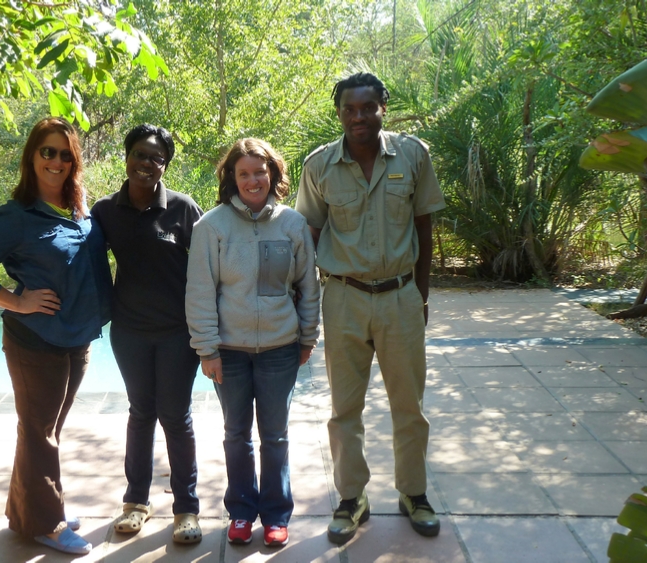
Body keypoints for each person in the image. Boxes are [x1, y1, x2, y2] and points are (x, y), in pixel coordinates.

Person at [295, 72, 446, 544]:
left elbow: (424, 229)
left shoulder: (413, 155)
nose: (358, 117)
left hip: (400, 296)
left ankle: (414, 494)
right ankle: (350, 498)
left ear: (384, 105)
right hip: (343, 297)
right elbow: (310, 234)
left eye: (367, 107)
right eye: (348, 109)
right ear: (339, 112)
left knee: (410, 406)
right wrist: (310, 306)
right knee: (344, 410)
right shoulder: (320, 165)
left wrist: (420, 295)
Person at [0, 117, 112, 556]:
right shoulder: (16, 217)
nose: (56, 161)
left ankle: (27, 513)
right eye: (47, 151)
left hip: (76, 337)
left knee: (46, 430)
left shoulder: (80, 210)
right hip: (35, 341)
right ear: (31, 156)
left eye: (65, 153)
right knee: (40, 431)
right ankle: (48, 523)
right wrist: (16, 301)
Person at [186, 138, 320, 548]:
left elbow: (308, 287)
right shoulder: (211, 227)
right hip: (230, 352)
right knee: (236, 435)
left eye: (259, 171)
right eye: (243, 173)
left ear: (273, 174)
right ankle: (242, 512)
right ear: (232, 178)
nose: (252, 180)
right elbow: (200, 292)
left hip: (280, 348)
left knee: (275, 436)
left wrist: (308, 336)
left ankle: (277, 514)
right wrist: (206, 349)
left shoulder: (293, 224)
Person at [90, 124, 205, 544]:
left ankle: (186, 508)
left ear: (165, 165)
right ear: (127, 157)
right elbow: (78, 259)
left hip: (178, 332)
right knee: (141, 413)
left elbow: (210, 264)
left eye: (157, 157)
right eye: (140, 154)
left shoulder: (182, 207)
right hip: (130, 331)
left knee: (175, 416)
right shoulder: (105, 211)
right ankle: (136, 502)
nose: (147, 163)